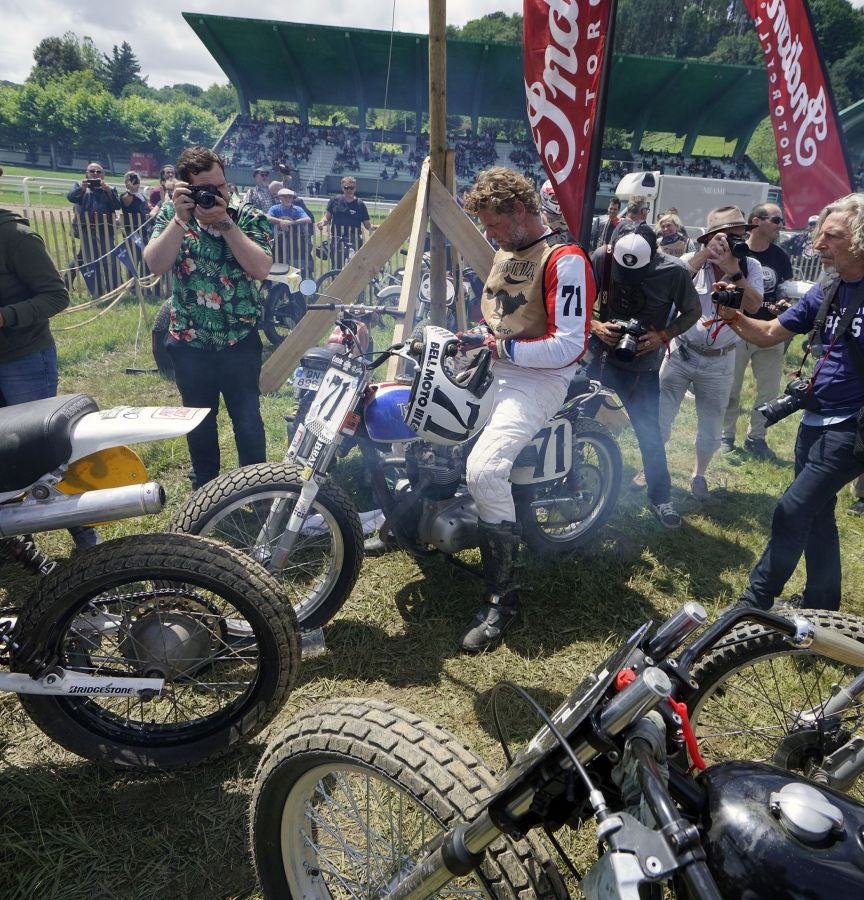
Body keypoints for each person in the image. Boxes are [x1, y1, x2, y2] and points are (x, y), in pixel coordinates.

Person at [458, 166, 595, 652]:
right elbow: (501, 316)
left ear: (520, 211)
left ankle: (503, 596)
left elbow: (569, 346)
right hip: (497, 363)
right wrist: (476, 339)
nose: (490, 233)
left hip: (539, 377)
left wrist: (501, 349)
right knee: (426, 423)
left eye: (495, 223)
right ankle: (407, 522)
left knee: (485, 470)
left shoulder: (565, 259)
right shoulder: (507, 250)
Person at [715, 193, 864, 611]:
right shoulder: (829, 286)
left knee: (793, 509)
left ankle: (754, 601)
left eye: (832, 237)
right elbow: (768, 333)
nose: (817, 244)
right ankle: (821, 604)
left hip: (852, 426)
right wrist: (732, 316)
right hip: (815, 417)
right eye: (819, 235)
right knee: (817, 513)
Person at [143, 146, 273, 490]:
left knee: (248, 421)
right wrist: (179, 220)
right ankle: (205, 488)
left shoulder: (246, 215)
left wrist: (225, 223)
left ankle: (255, 489)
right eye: (206, 189)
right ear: (186, 189)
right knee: (198, 421)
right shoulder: (173, 215)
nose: (217, 194)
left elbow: (261, 268)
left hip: (238, 340)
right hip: (189, 340)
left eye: (221, 185)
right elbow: (155, 264)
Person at [0, 170, 100, 549]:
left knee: (44, 451)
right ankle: (15, 535)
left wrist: (6, 317)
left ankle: (84, 530)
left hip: (23, 361)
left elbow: (56, 295)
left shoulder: (15, 237)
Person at [589, 222, 701, 528]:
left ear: (653, 255)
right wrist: (596, 326)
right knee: (576, 422)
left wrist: (663, 336)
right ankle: (569, 483)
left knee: (649, 434)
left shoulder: (673, 271)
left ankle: (660, 497)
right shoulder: (602, 258)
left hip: (643, 367)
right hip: (601, 360)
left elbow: (693, 311)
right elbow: (577, 301)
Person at [658, 207, 764, 500]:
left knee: (711, 422)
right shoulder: (691, 260)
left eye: (739, 236)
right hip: (682, 351)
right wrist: (705, 254)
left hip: (721, 358)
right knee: (661, 414)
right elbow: (670, 287)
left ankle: (699, 474)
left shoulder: (750, 266)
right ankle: (650, 468)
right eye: (728, 237)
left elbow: (755, 306)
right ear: (709, 237)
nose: (735, 242)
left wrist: (735, 272)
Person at [721, 202, 794, 459]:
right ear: (756, 221)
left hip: (770, 330)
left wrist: (782, 304)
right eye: (776, 220)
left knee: (769, 391)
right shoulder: (735, 252)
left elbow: (784, 289)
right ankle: (725, 435)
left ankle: (757, 438)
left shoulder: (780, 256)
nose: (780, 225)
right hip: (738, 328)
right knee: (731, 387)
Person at [66, 162, 122, 296]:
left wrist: (108, 191)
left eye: (98, 172)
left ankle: (112, 288)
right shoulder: (80, 186)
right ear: (87, 173)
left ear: (103, 174)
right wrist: (82, 189)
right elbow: (70, 197)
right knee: (87, 257)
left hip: (105, 229)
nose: (95, 174)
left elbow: (117, 205)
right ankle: (95, 288)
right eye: (92, 171)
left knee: (107, 257)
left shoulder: (110, 188)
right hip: (86, 229)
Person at [318, 176, 373, 268]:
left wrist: (378, 227)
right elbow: (327, 217)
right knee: (336, 266)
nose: (349, 190)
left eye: (351, 188)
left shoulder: (360, 204)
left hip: (354, 240)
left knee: (353, 266)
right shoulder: (334, 200)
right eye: (346, 187)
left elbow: (367, 225)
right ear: (342, 188)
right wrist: (322, 222)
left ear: (355, 188)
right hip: (337, 239)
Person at [267, 188, 312, 269]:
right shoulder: (275, 208)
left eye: (290, 197)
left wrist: (292, 222)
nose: (288, 199)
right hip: (278, 243)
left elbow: (308, 219)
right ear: (280, 198)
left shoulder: (297, 209)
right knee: (277, 264)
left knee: (295, 265)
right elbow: (267, 217)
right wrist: (281, 221)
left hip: (294, 243)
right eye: (285, 197)